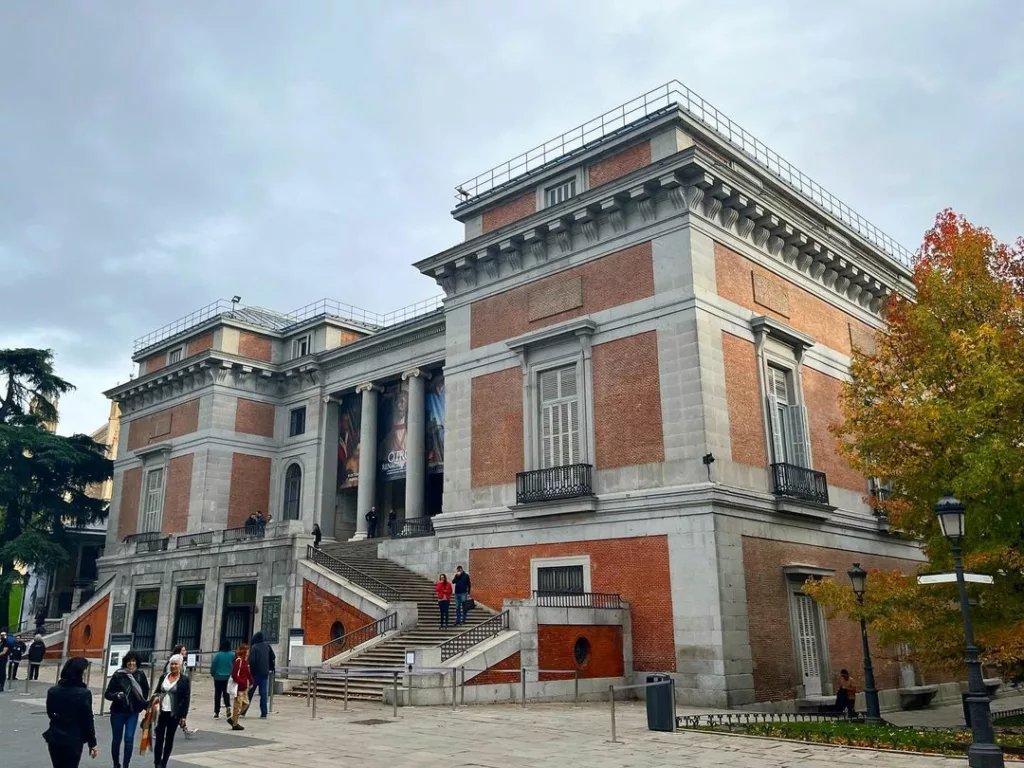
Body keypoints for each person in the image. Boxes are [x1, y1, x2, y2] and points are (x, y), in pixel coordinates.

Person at [43, 657, 98, 767]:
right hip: (73, 738)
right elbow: (87, 720)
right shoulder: (84, 694)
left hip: (55, 737)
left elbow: (50, 713)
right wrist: (92, 743)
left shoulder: (53, 691)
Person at [104, 651, 149, 768]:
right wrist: (116, 696)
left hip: (132, 712)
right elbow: (107, 694)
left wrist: (144, 703)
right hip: (117, 711)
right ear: (125, 662)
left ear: (137, 662)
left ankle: (126, 765)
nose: (131, 663)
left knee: (129, 738)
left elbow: (145, 692)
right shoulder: (118, 675)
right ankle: (116, 764)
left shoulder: (140, 675)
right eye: (129, 661)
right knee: (116, 739)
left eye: (134, 661)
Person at [151, 654, 190, 768]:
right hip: (162, 712)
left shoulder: (184, 680)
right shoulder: (163, 676)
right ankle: (157, 763)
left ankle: (164, 762)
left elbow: (186, 698)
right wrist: (155, 699)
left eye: (175, 664)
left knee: (169, 739)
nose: (173, 666)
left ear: (180, 665)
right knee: (159, 738)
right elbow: (157, 691)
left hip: (174, 713)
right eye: (172, 664)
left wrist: (184, 716)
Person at [246, 631, 275, 718]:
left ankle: (243, 710)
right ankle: (264, 712)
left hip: (255, 674)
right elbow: (273, 656)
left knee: (250, 693)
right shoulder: (267, 645)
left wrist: (251, 672)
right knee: (263, 693)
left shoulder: (254, 647)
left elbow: (252, 661)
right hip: (265, 672)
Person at [228, 644, 253, 731]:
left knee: (246, 703)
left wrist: (251, 681)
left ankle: (233, 719)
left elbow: (247, 672)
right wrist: (241, 681)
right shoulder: (238, 661)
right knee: (238, 705)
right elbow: (234, 674)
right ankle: (235, 723)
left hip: (244, 687)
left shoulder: (245, 661)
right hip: (239, 687)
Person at [209, 640, 235, 719]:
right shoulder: (232, 655)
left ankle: (217, 712)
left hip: (218, 677)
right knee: (226, 693)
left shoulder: (218, 655)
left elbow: (213, 666)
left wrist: (213, 674)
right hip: (228, 677)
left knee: (217, 694)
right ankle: (228, 707)